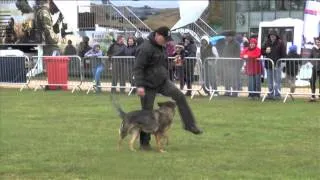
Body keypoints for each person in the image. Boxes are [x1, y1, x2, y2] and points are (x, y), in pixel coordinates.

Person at [133, 26, 203, 150]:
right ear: (157, 35)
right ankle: (144, 143)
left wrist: (170, 66)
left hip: (163, 82)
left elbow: (160, 64)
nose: (166, 41)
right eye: (165, 38)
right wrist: (139, 86)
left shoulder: (161, 46)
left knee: (180, 96)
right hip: (148, 84)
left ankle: (189, 125)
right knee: (147, 112)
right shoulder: (145, 48)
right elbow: (138, 68)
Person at [261, 30, 286, 100]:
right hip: (269, 65)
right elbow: (261, 51)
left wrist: (283, 63)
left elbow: (283, 54)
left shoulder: (280, 43)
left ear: (276, 36)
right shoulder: (266, 42)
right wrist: (265, 51)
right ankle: (270, 94)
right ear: (269, 36)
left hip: (277, 65)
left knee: (278, 80)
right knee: (269, 81)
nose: (272, 37)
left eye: (273, 35)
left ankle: (277, 94)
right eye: (271, 36)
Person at [221, 30, 241, 97]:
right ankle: (227, 91)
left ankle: (235, 92)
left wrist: (231, 59)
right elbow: (224, 53)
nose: (226, 38)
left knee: (233, 79)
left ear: (231, 37)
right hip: (226, 64)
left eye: (227, 36)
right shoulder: (226, 44)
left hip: (233, 64)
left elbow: (238, 54)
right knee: (226, 78)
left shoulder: (236, 44)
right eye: (226, 36)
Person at [308, 37, 320, 102]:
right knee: (312, 81)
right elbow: (310, 57)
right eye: (317, 42)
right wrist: (311, 64)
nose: (318, 43)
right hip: (315, 68)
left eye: (319, 42)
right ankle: (313, 95)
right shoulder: (313, 49)